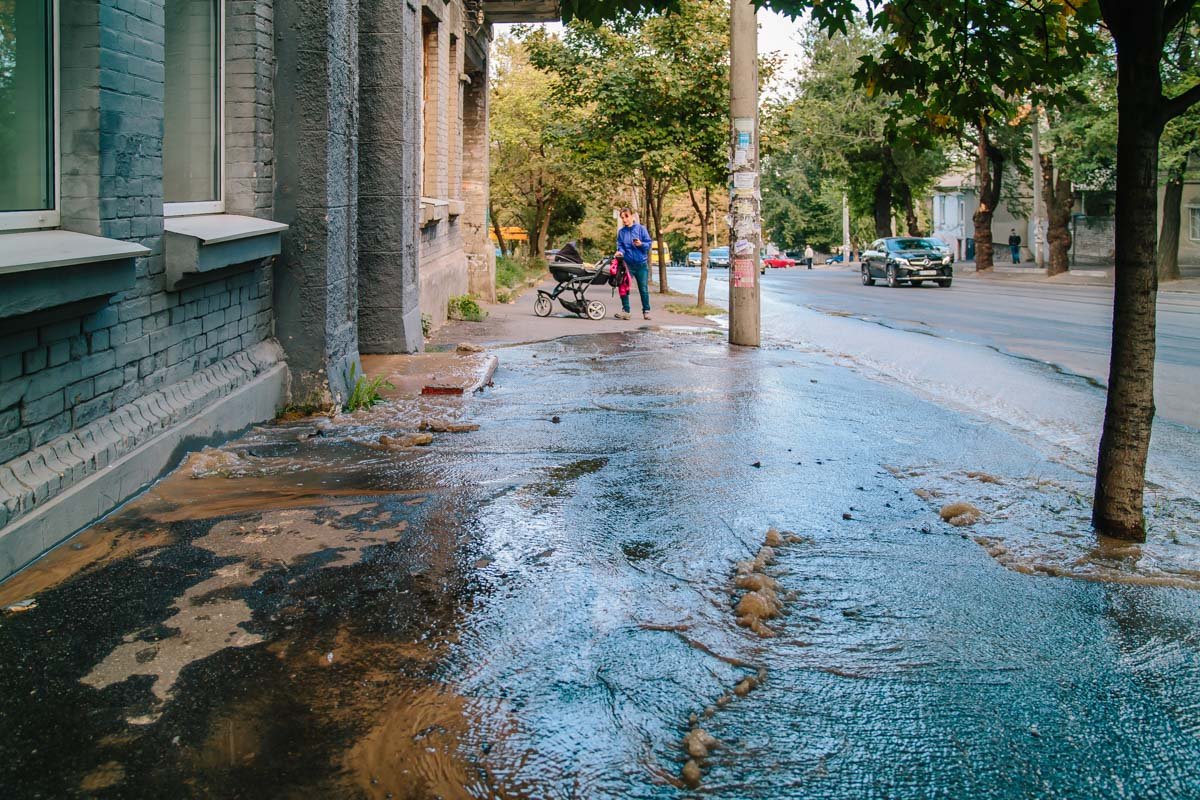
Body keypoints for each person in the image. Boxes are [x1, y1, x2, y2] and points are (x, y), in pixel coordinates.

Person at [614, 208, 652, 320]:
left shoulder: (641, 229)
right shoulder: (621, 232)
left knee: (643, 288)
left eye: (626, 216)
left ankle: (646, 311)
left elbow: (648, 244)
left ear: (632, 216)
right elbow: (621, 246)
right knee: (623, 286)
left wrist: (640, 244)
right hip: (627, 264)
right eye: (622, 217)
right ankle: (626, 311)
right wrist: (620, 251)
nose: (624, 219)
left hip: (641, 264)